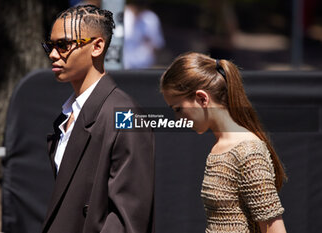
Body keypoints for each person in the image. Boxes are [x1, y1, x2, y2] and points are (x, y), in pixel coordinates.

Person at [41, 4, 155, 233]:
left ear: (97, 46)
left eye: (63, 45)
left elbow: (128, 219)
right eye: (51, 46)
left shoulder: (125, 114)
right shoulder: (67, 114)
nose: (53, 54)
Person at [160, 52, 287, 233]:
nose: (178, 118)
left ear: (202, 99)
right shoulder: (220, 147)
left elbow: (275, 230)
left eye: (178, 109)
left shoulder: (248, 151)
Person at [123, 0, 165, 69]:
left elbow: (157, 44)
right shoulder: (121, 16)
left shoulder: (151, 18)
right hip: (124, 66)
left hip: (144, 66)